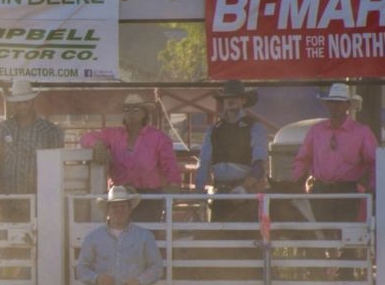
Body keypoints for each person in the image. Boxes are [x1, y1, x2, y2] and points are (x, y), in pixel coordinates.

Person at [80, 92, 182, 222]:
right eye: (126, 109)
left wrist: (173, 186)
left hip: (149, 197)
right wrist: (97, 143)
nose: (130, 113)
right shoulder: (113, 134)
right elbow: (85, 138)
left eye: (135, 109)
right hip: (120, 195)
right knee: (119, 234)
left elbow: (170, 167)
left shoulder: (159, 138)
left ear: (144, 113)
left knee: (145, 234)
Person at [291, 82, 378, 223]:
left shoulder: (361, 132)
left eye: (339, 103)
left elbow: (375, 162)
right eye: (332, 102)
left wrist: (373, 186)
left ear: (347, 106)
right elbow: (303, 159)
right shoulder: (316, 130)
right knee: (320, 232)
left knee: (346, 234)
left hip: (347, 190)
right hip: (320, 189)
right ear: (327, 105)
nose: (335, 106)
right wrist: (297, 183)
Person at [0, 78, 63, 218]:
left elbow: (56, 166)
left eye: (25, 102)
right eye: (19, 103)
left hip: (40, 197)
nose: (22, 106)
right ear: (14, 104)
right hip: (8, 198)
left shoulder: (50, 131)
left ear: (32, 102)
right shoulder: (3, 129)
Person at [195, 81, 269, 222]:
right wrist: (199, 189)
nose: (230, 100)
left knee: (246, 236)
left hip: (246, 192)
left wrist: (245, 187)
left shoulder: (255, 127)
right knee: (219, 238)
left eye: (235, 97)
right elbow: (204, 161)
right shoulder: (213, 129)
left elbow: (260, 161)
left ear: (243, 100)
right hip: (220, 192)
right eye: (227, 98)